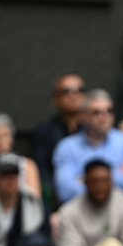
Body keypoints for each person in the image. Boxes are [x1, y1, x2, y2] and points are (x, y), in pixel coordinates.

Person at [52, 89, 123, 204]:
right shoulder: (66, 147)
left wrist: (85, 179)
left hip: (120, 209)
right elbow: (65, 192)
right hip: (82, 211)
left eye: (109, 111)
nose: (104, 117)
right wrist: (117, 173)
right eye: (96, 112)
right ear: (83, 117)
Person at [29, 73, 84, 206]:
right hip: (57, 201)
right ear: (55, 99)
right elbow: (41, 169)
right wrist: (56, 192)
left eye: (80, 90)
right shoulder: (45, 131)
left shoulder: (93, 130)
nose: (74, 95)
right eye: (67, 91)